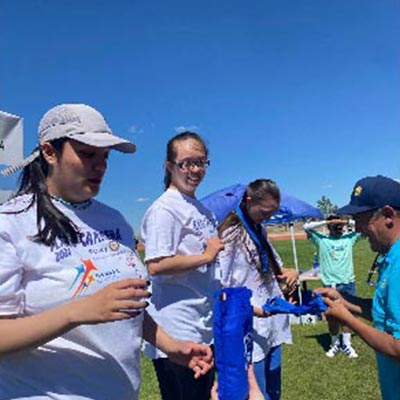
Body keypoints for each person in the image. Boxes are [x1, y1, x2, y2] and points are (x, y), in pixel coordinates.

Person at [0, 104, 213, 400]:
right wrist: (76, 312)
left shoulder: (115, 221)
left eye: (105, 156)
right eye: (87, 154)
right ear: (49, 152)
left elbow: (127, 305)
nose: (100, 166)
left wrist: (170, 345)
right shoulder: (11, 223)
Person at [140, 131, 224, 400]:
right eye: (186, 163)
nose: (195, 169)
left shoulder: (201, 209)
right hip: (176, 329)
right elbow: (156, 264)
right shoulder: (164, 210)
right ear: (170, 166)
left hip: (203, 323)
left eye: (200, 162)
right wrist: (206, 257)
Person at [315, 175, 400, 400]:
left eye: (361, 220)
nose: (358, 229)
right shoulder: (391, 256)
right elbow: (385, 314)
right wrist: (344, 299)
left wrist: (348, 320)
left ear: (388, 216)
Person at [218, 179, 298, 400]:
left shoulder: (258, 229)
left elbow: (275, 268)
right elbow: (222, 288)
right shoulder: (230, 235)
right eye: (264, 212)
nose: (268, 217)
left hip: (271, 323)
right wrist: (254, 310)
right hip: (250, 324)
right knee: (258, 391)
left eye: (272, 213)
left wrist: (290, 273)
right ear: (249, 200)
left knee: (274, 390)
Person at [303, 215, 362, 358]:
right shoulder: (322, 240)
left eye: (340, 226)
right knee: (332, 316)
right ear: (329, 227)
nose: (339, 228)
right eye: (335, 226)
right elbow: (306, 227)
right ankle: (335, 344)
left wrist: (346, 221)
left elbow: (362, 227)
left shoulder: (349, 238)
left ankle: (347, 344)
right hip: (330, 285)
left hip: (348, 283)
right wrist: (326, 221)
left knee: (348, 316)